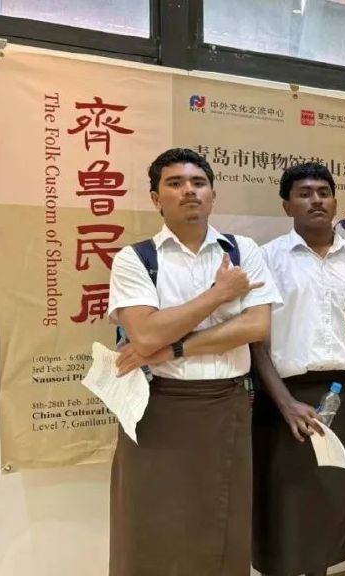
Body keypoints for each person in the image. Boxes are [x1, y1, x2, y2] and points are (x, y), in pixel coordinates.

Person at [107, 147, 280, 575]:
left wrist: (176, 347)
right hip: (157, 409)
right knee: (149, 527)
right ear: (156, 198)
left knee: (222, 529)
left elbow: (256, 326)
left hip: (227, 407)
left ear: (213, 195)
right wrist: (219, 296)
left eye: (198, 183)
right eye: (175, 183)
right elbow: (146, 334)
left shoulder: (242, 251)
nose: (189, 191)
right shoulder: (136, 258)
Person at [251, 162, 345, 576]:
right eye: (304, 193)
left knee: (331, 499)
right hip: (285, 396)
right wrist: (285, 403)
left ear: (335, 202)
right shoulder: (266, 258)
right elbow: (256, 341)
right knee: (286, 504)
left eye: (324, 192)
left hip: (343, 394)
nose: (316, 200)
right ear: (287, 206)